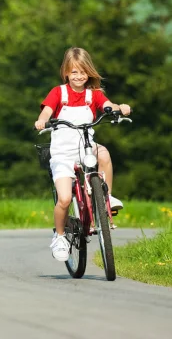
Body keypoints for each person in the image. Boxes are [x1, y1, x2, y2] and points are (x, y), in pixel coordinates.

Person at [34, 47, 131, 261]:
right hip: (62, 154)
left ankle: (107, 196)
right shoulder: (58, 92)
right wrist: (42, 120)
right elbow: (47, 110)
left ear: (89, 73)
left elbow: (107, 105)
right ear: (66, 73)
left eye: (83, 72)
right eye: (74, 72)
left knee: (103, 154)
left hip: (86, 147)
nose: (79, 77)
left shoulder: (93, 94)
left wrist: (118, 108)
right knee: (65, 198)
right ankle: (59, 236)